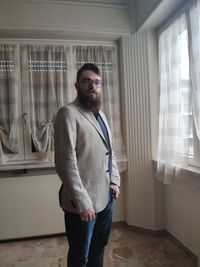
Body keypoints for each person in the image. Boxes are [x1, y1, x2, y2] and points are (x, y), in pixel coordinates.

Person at [54, 63, 120, 267]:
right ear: (77, 85)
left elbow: (110, 152)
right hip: (82, 204)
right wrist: (83, 202)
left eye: (97, 82)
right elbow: (66, 163)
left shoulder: (101, 115)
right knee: (80, 255)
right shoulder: (68, 113)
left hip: (106, 198)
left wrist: (115, 182)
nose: (93, 86)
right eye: (87, 81)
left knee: (98, 248)